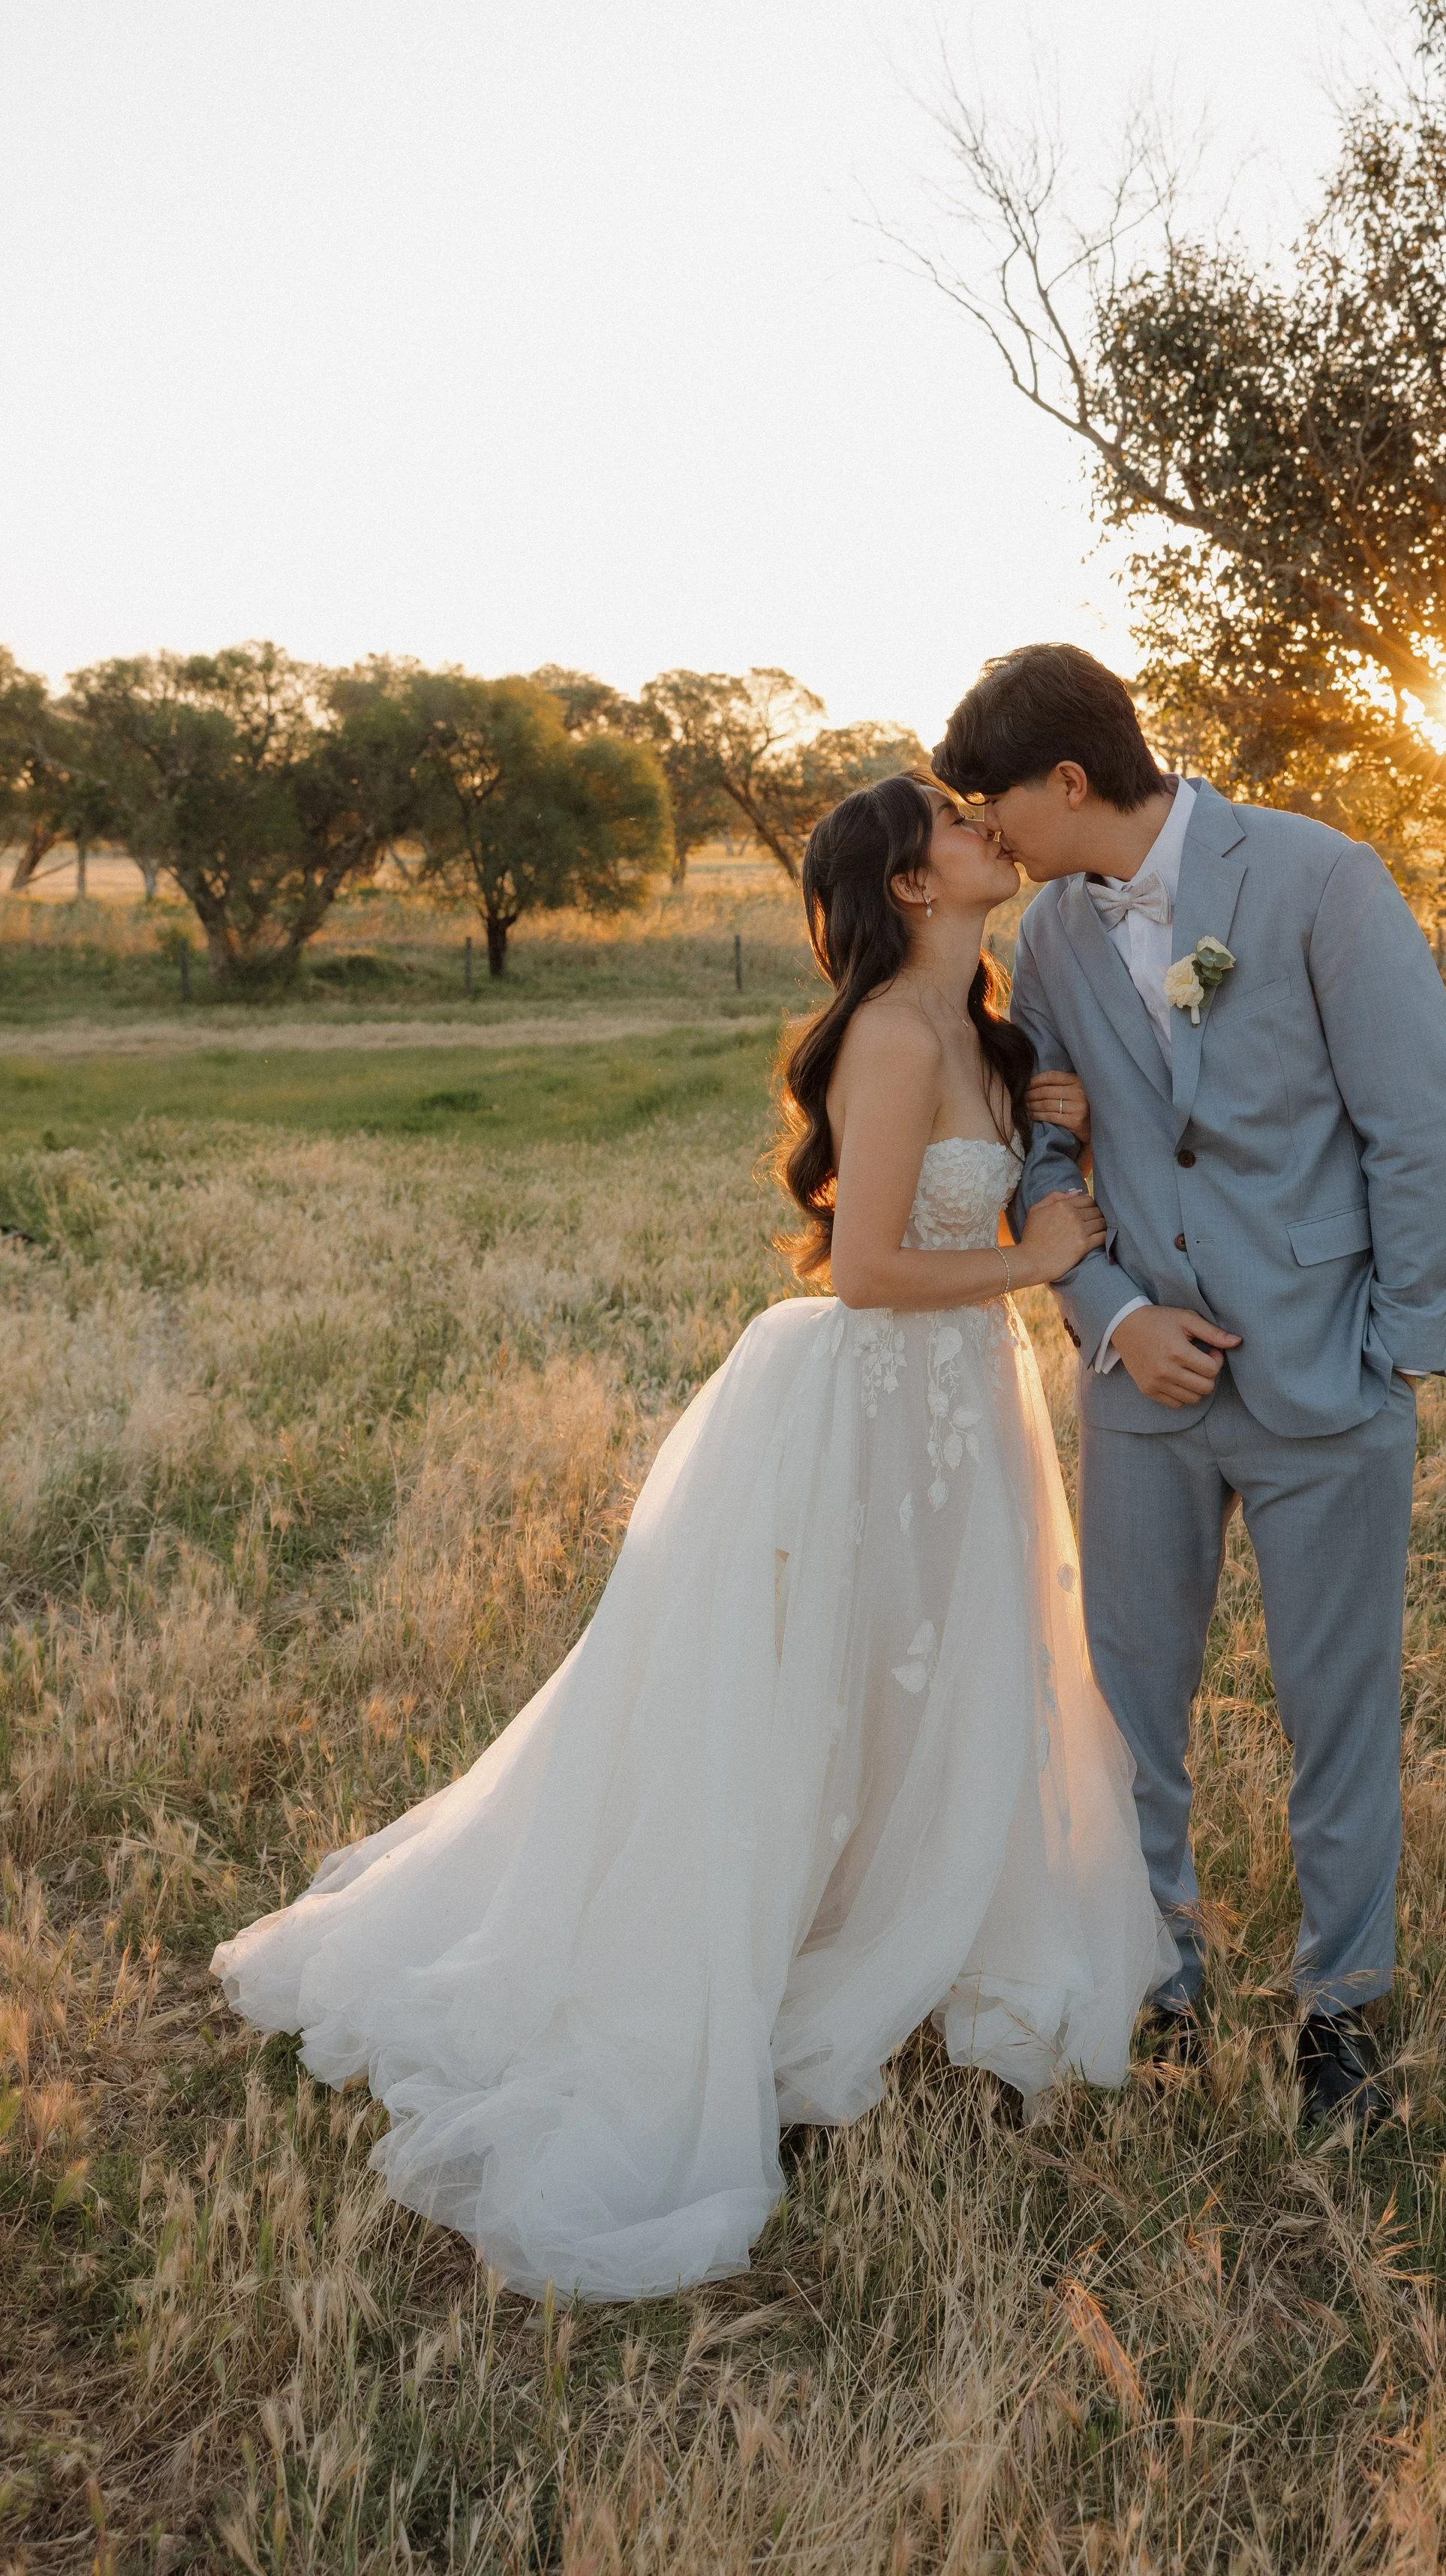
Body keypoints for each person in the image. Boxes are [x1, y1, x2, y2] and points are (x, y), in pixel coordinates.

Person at [212, 773, 1171, 2303]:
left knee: (938, 1685)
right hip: (866, 1400)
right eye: (950, 819)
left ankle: (900, 1937)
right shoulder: (884, 1034)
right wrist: (1026, 1257)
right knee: (807, 1696)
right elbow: (864, 1271)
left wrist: (1045, 1134)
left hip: (958, 1408)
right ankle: (735, 1968)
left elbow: (995, 1200)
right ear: (908, 884)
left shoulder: (984, 1030)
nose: (984, 824)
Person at [933, 646, 1446, 2129]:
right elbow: (1045, 1158)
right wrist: (1106, 1319)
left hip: (1327, 1378)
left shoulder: (1315, 878)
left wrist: (1396, 1346)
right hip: (1140, 1398)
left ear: (1064, 782)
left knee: (1336, 1716)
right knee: (1126, 1716)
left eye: (991, 808)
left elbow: (1417, 1123)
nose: (984, 839)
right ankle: (1152, 1986)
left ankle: (1340, 2015)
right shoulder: (1048, 937)